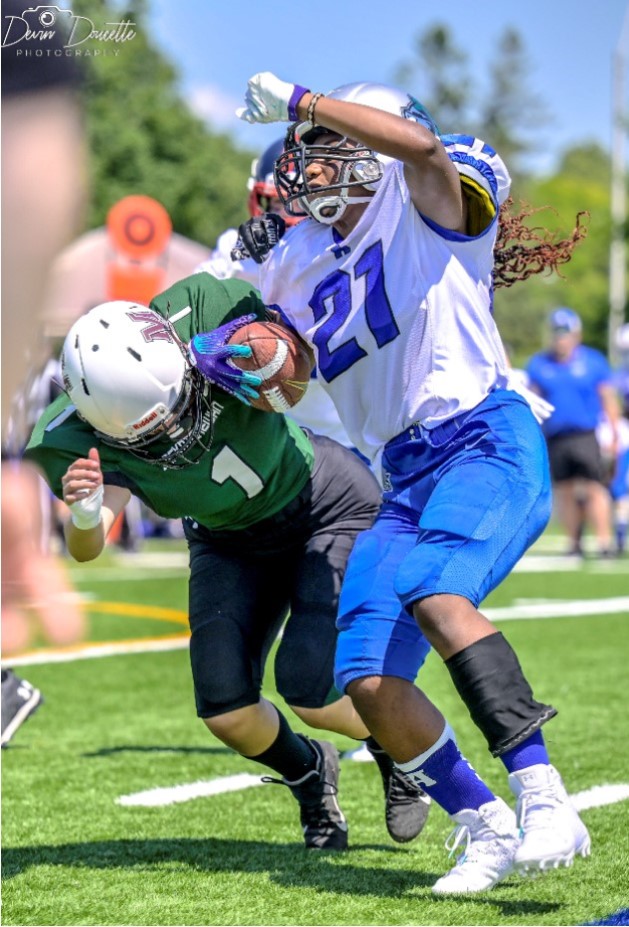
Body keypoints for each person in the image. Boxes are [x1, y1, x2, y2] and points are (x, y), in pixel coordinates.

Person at [201, 73, 593, 893]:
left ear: (372, 149)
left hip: (482, 435)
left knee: (432, 591)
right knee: (366, 678)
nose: (304, 169)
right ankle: (482, 823)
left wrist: (302, 98)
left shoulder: (425, 199)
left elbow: (419, 146)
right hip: (401, 476)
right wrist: (228, 346)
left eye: (324, 151)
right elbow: (262, 351)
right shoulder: (295, 259)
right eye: (301, 158)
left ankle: (544, 796)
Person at [24, 274, 431, 850]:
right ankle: (309, 774)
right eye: (150, 431)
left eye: (175, 404)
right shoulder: (69, 437)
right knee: (225, 707)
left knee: (310, 687)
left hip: (323, 502)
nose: (173, 427)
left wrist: (274, 358)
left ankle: (394, 744)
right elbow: (87, 548)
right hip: (227, 540)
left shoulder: (201, 309)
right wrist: (86, 513)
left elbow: (294, 360)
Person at [527, 308, 621, 557]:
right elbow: (532, 401)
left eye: (565, 333)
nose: (561, 339)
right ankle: (574, 543)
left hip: (585, 434)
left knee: (593, 487)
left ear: (576, 334)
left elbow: (608, 399)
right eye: (557, 333)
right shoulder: (539, 364)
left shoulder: (593, 361)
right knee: (564, 490)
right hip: (555, 436)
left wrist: (614, 433)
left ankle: (604, 542)